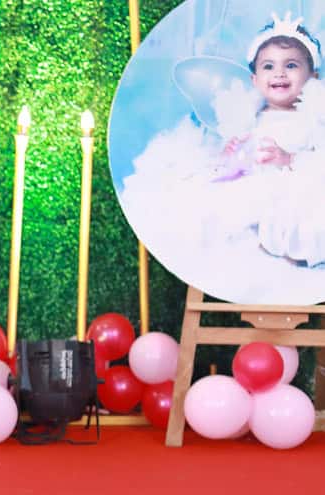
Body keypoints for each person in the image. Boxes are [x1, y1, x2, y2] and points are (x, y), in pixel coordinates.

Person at [118, 14, 325, 300]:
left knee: (295, 214)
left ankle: (288, 258)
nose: (279, 74)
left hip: (294, 185)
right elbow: (237, 158)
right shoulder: (249, 116)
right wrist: (233, 154)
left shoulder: (314, 118)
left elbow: (319, 162)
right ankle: (255, 253)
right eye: (269, 66)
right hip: (254, 181)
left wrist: (288, 158)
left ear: (313, 77)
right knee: (215, 203)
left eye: (291, 65)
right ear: (254, 80)